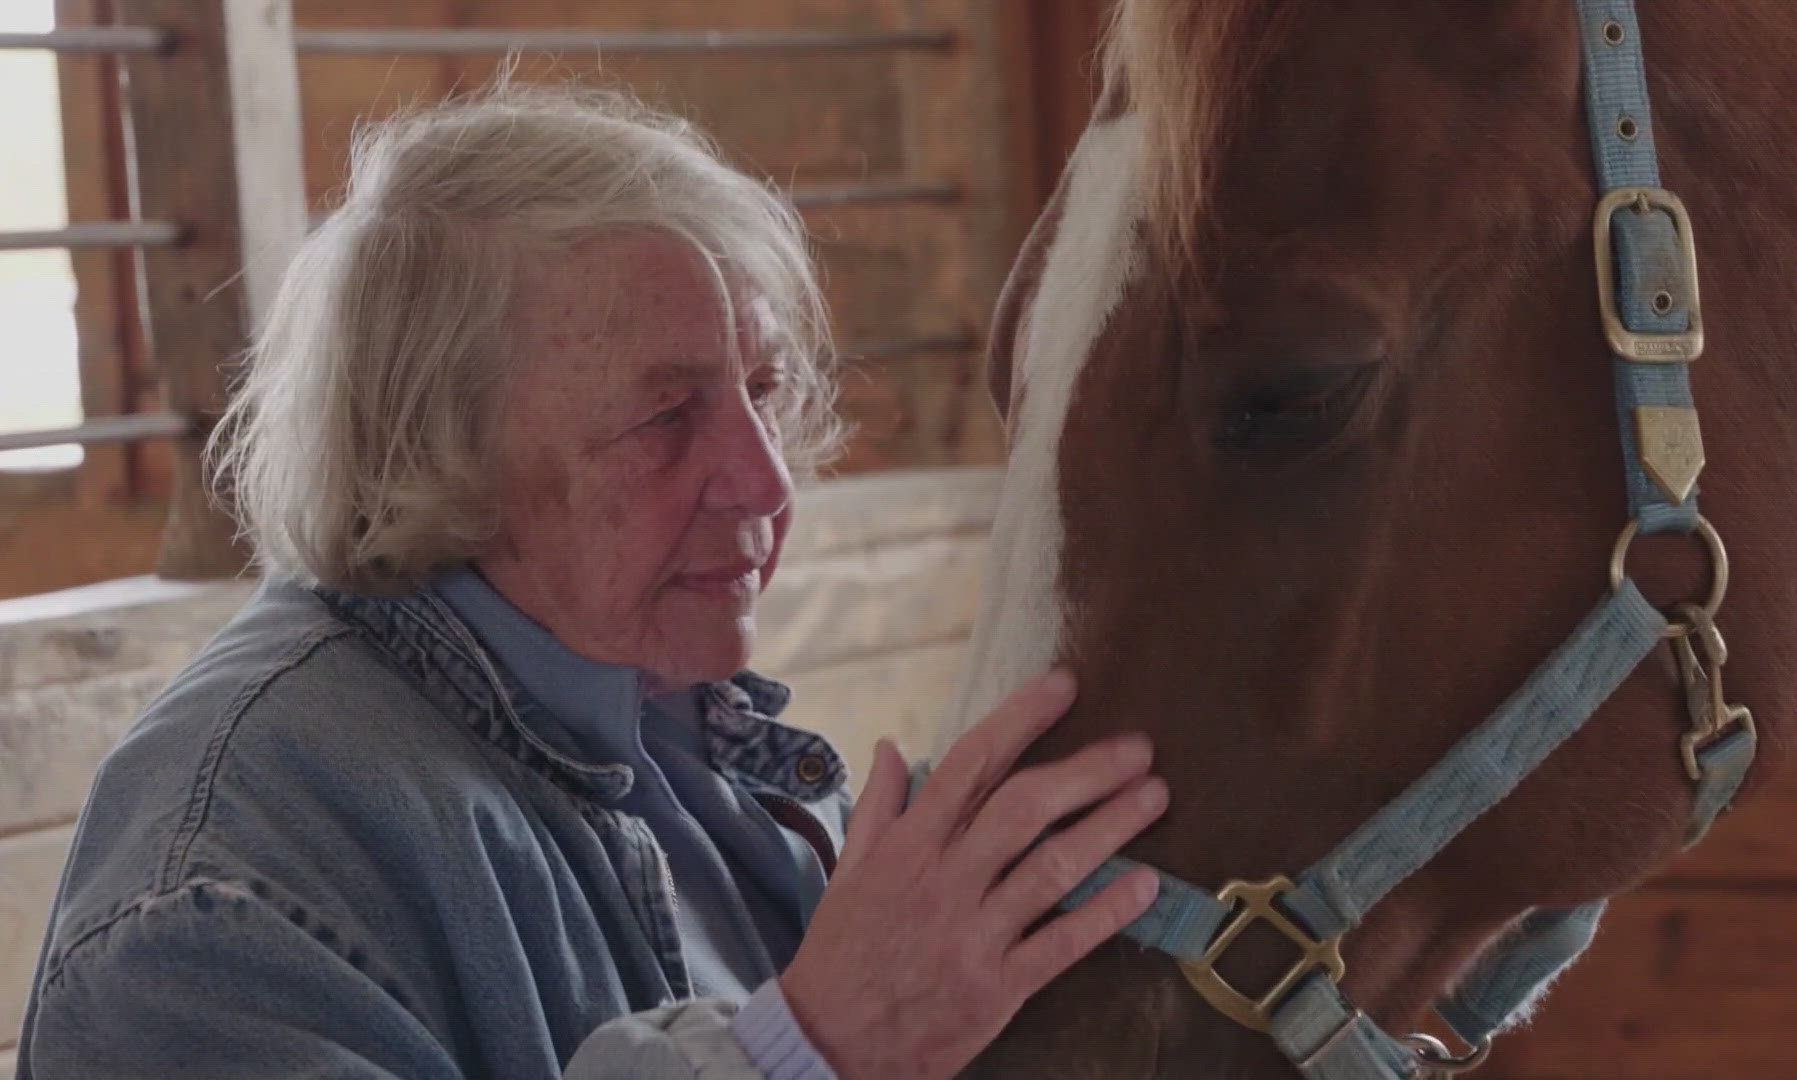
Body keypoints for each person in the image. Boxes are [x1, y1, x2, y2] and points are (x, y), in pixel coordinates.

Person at [12, 84, 1169, 1080]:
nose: (765, 485)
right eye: (667, 416)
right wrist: (812, 1044)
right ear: (435, 455)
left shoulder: (662, 719)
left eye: (762, 389)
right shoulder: (219, 885)